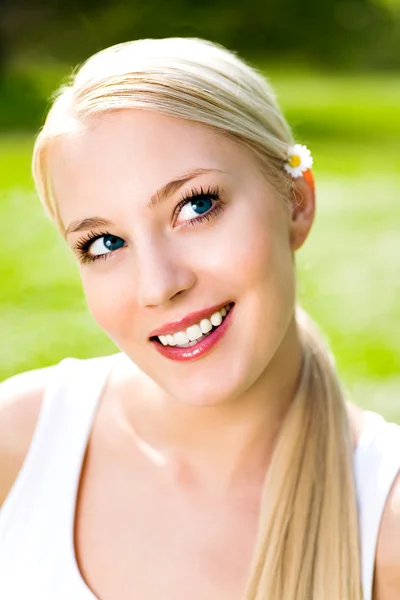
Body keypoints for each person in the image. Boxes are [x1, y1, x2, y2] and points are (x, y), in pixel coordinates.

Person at [0, 37, 399, 600]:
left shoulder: (388, 529)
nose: (160, 286)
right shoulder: (16, 449)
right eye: (105, 242)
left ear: (297, 201)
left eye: (195, 207)